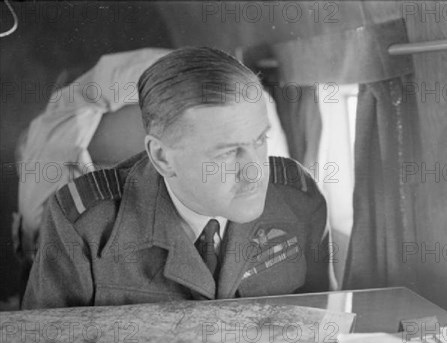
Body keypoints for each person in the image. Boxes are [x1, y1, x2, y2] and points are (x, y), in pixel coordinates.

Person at [22, 47, 332, 309]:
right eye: (227, 153)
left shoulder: (299, 200)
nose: (254, 170)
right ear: (162, 157)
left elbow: (321, 330)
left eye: (259, 140)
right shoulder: (85, 227)